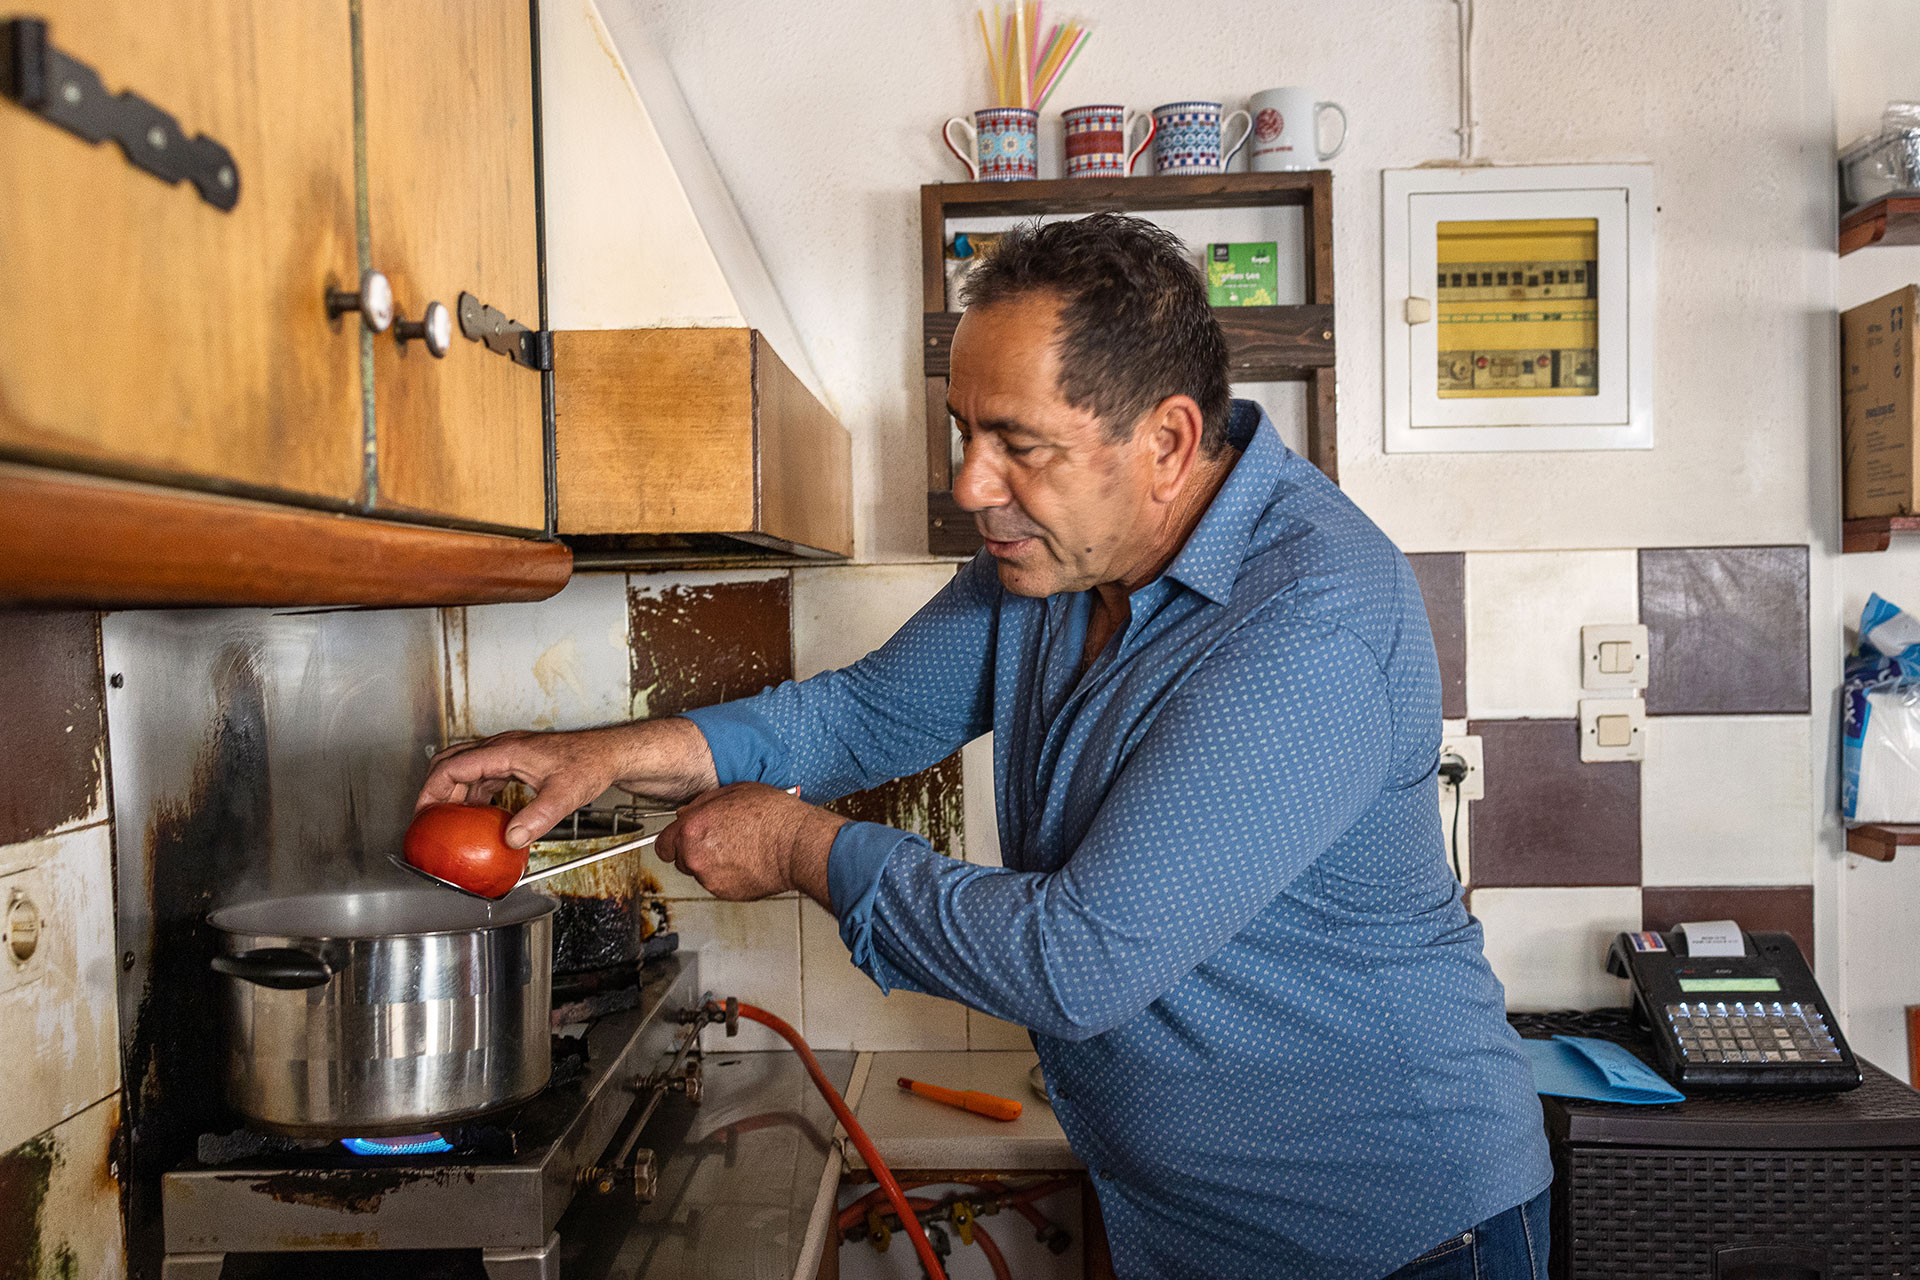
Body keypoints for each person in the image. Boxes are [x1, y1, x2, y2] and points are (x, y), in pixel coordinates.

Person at [417, 214, 1552, 1279]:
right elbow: (860, 715)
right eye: (966, 431)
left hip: (1395, 1233)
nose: (971, 486)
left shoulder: (1312, 619)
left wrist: (802, 846)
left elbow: (1078, 959)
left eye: (1018, 443)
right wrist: (614, 752)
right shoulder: (1055, 566)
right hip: (1185, 1225)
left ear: (1167, 440)